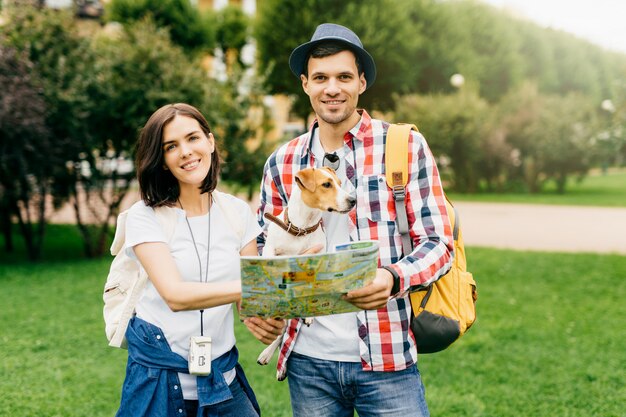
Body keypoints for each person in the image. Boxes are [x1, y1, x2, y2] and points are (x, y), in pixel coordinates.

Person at [244, 24, 454, 417]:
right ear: (305, 84)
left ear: (361, 82)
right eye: (320, 78)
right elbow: (262, 244)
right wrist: (259, 306)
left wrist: (392, 278)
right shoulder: (282, 161)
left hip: (386, 355)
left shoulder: (404, 146)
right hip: (308, 361)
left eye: (343, 77)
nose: (332, 88)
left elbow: (440, 243)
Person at [116, 103, 261, 417]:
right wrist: (255, 287)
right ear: (163, 160)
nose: (185, 151)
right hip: (159, 384)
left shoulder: (237, 213)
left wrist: (270, 319)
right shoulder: (144, 217)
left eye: (193, 138)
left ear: (210, 142)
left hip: (224, 381)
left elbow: (251, 305)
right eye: (171, 146)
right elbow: (175, 295)